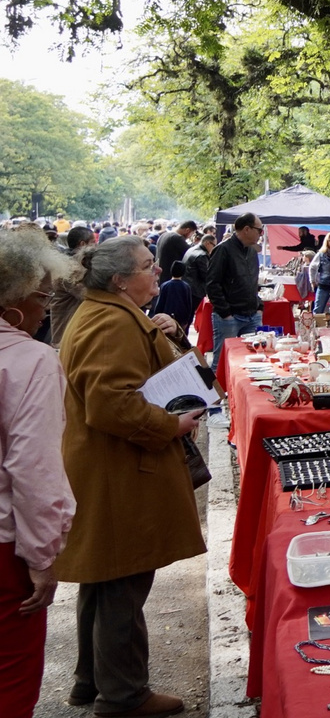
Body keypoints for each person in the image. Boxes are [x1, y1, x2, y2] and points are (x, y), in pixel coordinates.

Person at [56, 236, 205, 717]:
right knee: (121, 582)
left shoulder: (111, 314)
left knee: (104, 578)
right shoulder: (110, 322)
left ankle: (91, 680)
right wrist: (170, 425)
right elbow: (112, 403)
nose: (157, 272)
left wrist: (169, 334)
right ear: (120, 279)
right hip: (118, 471)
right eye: (148, 266)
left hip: (110, 468)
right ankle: (123, 695)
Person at [0, 230, 78, 714]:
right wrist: (42, 556)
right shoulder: (30, 361)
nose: (47, 307)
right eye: (43, 295)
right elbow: (33, 469)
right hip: (5, 552)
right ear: (13, 299)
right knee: (10, 679)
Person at [207, 213, 264, 365]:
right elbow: (212, 283)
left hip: (251, 314)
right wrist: (226, 312)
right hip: (230, 317)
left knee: (248, 362)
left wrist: (258, 306)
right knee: (221, 363)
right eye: (260, 230)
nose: (261, 234)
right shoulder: (223, 250)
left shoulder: (251, 251)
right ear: (247, 229)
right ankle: (217, 389)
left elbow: (252, 281)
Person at [49, 225, 96, 347]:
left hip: (70, 337)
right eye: (93, 243)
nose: (96, 247)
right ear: (82, 244)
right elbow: (89, 295)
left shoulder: (72, 265)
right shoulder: (70, 270)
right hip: (64, 340)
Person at [149, 262, 197, 338]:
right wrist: (188, 320)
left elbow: (160, 303)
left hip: (166, 317)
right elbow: (189, 305)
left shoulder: (165, 285)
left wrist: (157, 314)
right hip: (181, 319)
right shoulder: (186, 287)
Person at [180, 234, 215, 319]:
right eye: (213, 245)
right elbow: (207, 275)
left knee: (186, 315)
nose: (214, 248)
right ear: (207, 243)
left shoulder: (192, 249)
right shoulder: (202, 255)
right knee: (188, 317)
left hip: (187, 286)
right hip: (195, 291)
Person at [309, 235, 330, 315]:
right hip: (323, 285)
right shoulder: (321, 254)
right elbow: (312, 267)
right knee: (318, 310)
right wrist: (312, 281)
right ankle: (317, 325)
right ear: (326, 241)